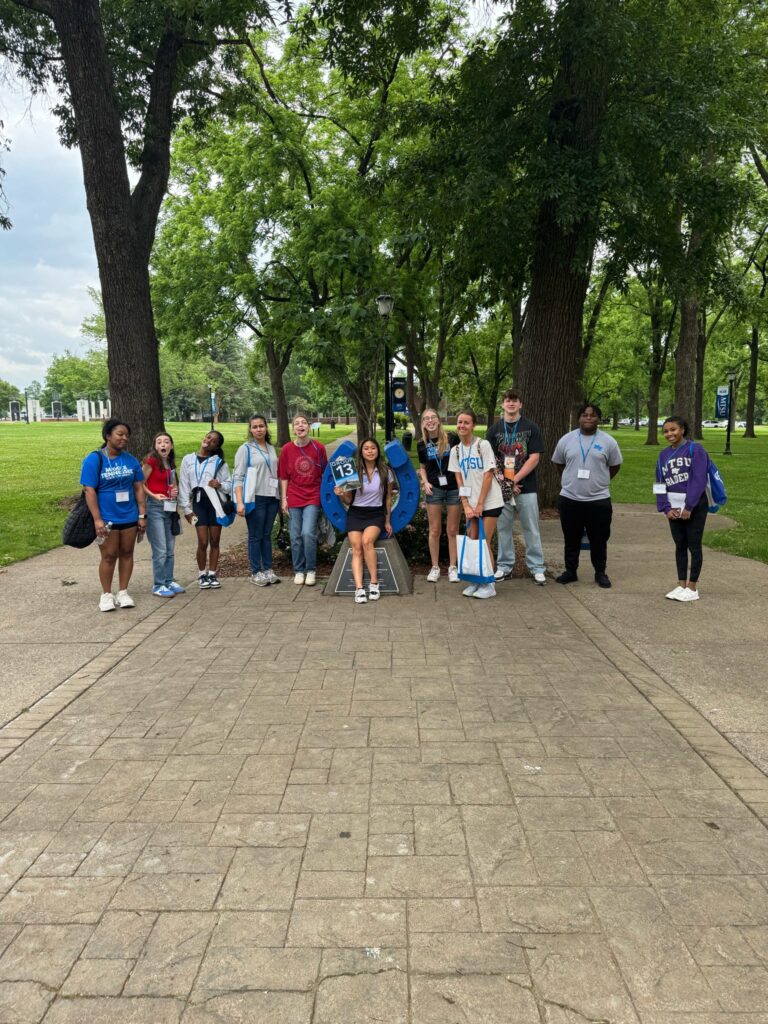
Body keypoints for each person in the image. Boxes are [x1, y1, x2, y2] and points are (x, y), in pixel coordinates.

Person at [551, 403, 622, 588]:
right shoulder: (566, 440)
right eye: (584, 415)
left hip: (598, 500)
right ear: (578, 419)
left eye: (593, 415)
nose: (588, 418)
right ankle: (570, 571)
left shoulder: (608, 442)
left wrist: (601, 480)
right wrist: (570, 479)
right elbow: (559, 463)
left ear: (598, 419)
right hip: (570, 498)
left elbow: (615, 466)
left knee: (599, 539)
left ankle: (600, 572)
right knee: (571, 538)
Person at [80, 417, 146, 612]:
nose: (124, 438)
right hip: (107, 517)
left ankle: (123, 592)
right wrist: (97, 519)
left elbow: (138, 488)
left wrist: (142, 515)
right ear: (108, 436)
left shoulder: (131, 460)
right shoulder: (94, 459)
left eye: (127, 435)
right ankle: (106, 595)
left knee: (127, 553)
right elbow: (89, 490)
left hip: (129, 516)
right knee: (109, 556)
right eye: (120, 434)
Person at [486, 388, 547, 585]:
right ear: (502, 404)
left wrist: (514, 480)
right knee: (503, 529)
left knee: (531, 528)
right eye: (507, 400)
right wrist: (506, 482)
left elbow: (534, 458)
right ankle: (504, 566)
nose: (511, 403)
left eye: (515, 400)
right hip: (501, 489)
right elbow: (490, 460)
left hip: (526, 488)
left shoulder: (531, 427)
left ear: (520, 404)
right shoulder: (494, 430)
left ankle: (537, 567)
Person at [448, 408, 504, 599]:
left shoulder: (483, 445)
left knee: (483, 541)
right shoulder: (455, 451)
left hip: (490, 501)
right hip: (471, 504)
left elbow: (488, 475)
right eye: (459, 422)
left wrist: (480, 504)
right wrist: (466, 504)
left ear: (473, 425)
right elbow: (459, 478)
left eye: (466, 422)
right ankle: (476, 580)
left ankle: (489, 584)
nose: (462, 426)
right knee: (472, 541)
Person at [656, 415, 709, 602]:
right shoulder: (662, 455)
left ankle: (692, 588)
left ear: (683, 430)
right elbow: (659, 483)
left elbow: (699, 479)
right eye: (666, 431)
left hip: (695, 506)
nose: (669, 434)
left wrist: (690, 506)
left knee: (694, 545)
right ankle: (681, 584)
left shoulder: (695, 449)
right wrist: (665, 508)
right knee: (680, 545)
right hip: (674, 507)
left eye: (673, 429)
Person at [335, 437, 394, 604]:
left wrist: (387, 521)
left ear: (378, 451)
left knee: (367, 541)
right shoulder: (352, 471)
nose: (370, 451)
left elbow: (388, 498)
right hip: (356, 513)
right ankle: (359, 588)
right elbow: (348, 500)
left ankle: (374, 584)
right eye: (366, 448)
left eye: (373, 448)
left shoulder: (385, 471)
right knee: (356, 547)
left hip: (375, 514)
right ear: (361, 452)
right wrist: (341, 494)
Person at [278, 414, 328, 586]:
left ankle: (311, 569)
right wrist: (284, 498)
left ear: (309, 427)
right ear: (293, 429)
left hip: (313, 495)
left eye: (304, 423)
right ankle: (299, 570)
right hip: (293, 495)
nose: (300, 426)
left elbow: (325, 473)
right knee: (295, 535)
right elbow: (284, 476)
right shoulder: (286, 449)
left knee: (307, 533)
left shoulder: (318, 448)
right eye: (297, 423)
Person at [178, 430, 231, 590]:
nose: (208, 441)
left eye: (213, 441)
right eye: (208, 437)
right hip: (199, 503)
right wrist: (187, 509)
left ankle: (212, 574)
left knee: (215, 540)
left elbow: (229, 484)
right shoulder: (188, 459)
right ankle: (202, 574)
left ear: (216, 447)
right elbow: (184, 485)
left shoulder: (219, 462)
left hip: (215, 504)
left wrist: (219, 485)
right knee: (202, 541)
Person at [233, 415, 281, 587]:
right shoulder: (245, 449)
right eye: (255, 427)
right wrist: (239, 502)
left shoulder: (271, 448)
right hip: (255, 498)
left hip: (272, 497)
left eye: (261, 426)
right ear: (250, 430)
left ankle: (267, 569)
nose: (259, 429)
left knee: (266, 535)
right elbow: (238, 477)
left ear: (266, 427)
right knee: (255, 535)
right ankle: (256, 572)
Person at [417, 408, 461, 583]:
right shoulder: (422, 444)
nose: (430, 421)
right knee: (434, 530)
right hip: (434, 488)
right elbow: (422, 467)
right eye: (426, 418)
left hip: (454, 488)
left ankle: (453, 567)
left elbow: (461, 460)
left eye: (433, 417)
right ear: (423, 423)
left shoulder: (452, 438)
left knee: (453, 530)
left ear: (438, 419)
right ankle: (435, 567)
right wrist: (425, 482)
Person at [143, 432, 185, 598]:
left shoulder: (170, 463)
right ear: (155, 446)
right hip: (154, 508)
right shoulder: (151, 461)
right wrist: (154, 495)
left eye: (166, 442)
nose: (163, 444)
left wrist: (175, 490)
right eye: (159, 442)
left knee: (170, 549)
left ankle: (169, 580)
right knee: (160, 550)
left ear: (171, 446)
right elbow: (139, 483)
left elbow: (173, 485)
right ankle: (158, 584)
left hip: (170, 507)